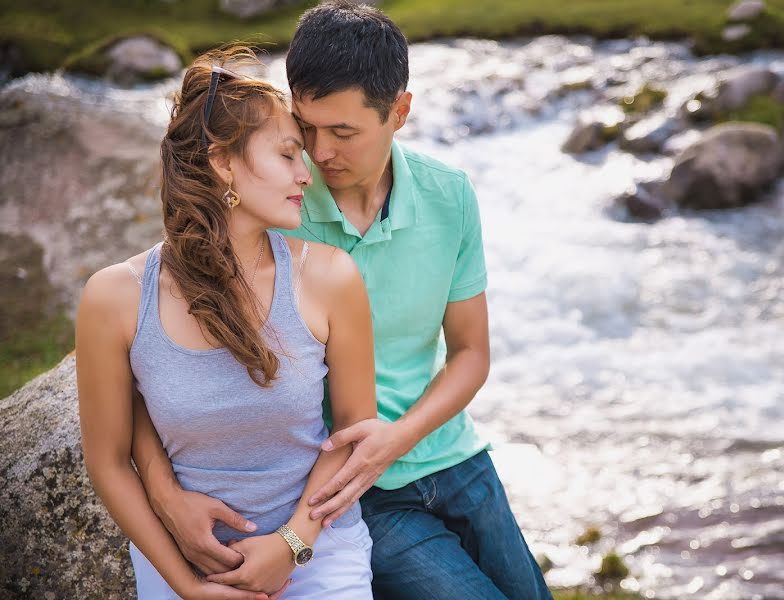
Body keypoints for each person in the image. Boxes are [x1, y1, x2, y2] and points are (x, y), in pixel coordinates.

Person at [133, 2, 553, 598]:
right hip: (348, 489)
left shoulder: (449, 195)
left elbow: (470, 353)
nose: (318, 153)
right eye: (305, 129)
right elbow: (156, 354)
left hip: (455, 457)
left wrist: (399, 436)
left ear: (399, 112)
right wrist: (164, 492)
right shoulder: (272, 207)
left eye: (343, 132)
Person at [76, 46, 377, 600]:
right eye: (287, 155)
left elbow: (354, 434)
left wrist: (291, 544)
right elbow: (109, 461)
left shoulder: (331, 278)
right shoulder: (114, 298)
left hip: (317, 555)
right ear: (223, 163)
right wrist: (186, 585)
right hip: (185, 566)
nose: (305, 174)